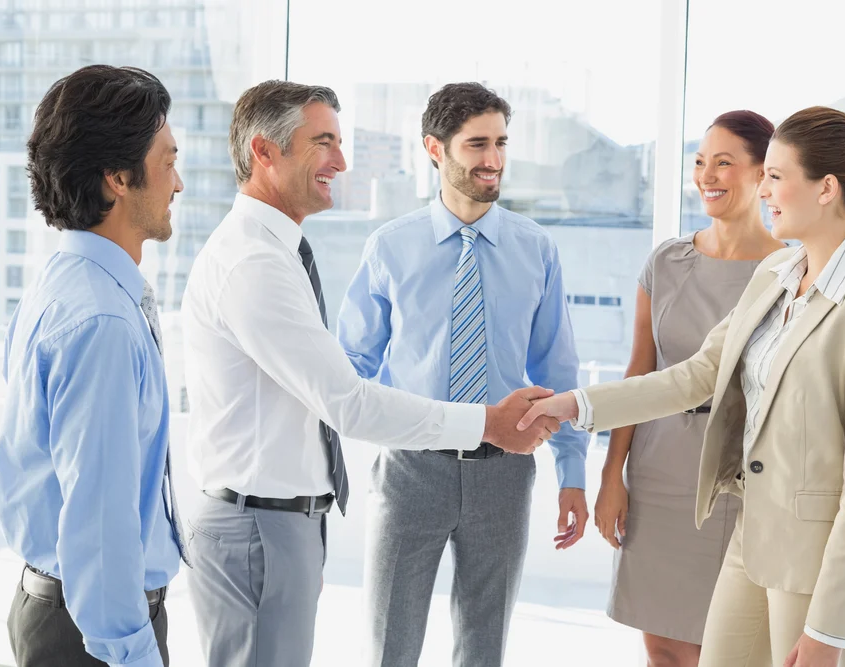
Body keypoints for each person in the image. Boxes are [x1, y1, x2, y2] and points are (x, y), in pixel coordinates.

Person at [180, 80, 558, 667]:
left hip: (288, 518)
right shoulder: (259, 262)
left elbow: (326, 388)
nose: (341, 161)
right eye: (323, 142)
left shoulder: (277, 253)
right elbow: (348, 396)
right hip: (276, 516)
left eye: (501, 143)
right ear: (264, 151)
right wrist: (487, 422)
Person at [519, 106, 845, 667]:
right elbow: (693, 377)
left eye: (776, 176)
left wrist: (829, 627)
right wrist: (571, 405)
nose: (766, 190)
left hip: (813, 560)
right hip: (749, 538)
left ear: (826, 188)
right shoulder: (775, 277)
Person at [337, 82, 590, 667]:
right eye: (477, 144)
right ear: (435, 148)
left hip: (506, 475)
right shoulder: (389, 248)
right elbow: (350, 367)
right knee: (389, 647)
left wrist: (572, 472)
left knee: (484, 648)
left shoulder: (536, 249)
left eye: (501, 142)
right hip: (410, 470)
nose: (493, 160)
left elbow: (559, 370)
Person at [0, 65, 185, 667]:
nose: (177, 183)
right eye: (168, 161)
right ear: (119, 177)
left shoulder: (64, 281)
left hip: (65, 612)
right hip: (94, 633)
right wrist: (133, 653)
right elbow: (100, 524)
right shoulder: (102, 322)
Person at [593, 110, 785, 667]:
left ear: (762, 174)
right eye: (700, 162)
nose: (707, 175)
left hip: (734, 482)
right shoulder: (666, 262)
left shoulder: (788, 272)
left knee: (720, 649)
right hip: (656, 475)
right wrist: (612, 477)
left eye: (725, 162)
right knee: (662, 650)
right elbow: (640, 374)